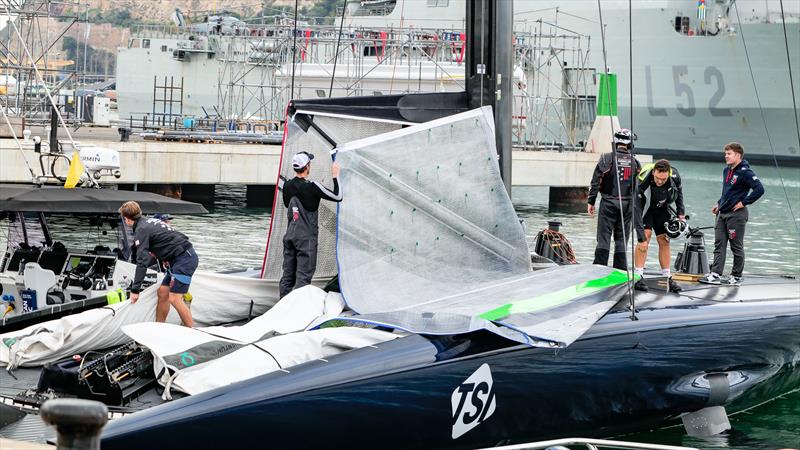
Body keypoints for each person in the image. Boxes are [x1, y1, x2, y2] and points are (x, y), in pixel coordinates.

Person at [119, 201, 198, 327]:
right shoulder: (148, 222)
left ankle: (192, 332)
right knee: (162, 292)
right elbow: (174, 238)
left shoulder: (141, 229)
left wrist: (135, 290)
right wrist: (166, 257)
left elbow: (142, 262)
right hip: (177, 259)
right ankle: (159, 327)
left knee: (174, 298)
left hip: (184, 259)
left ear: (126, 219)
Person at [279, 151, 342, 298]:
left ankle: (281, 310)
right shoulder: (312, 186)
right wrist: (335, 176)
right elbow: (338, 196)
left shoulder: (287, 185)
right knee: (303, 279)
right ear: (307, 166)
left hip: (290, 236)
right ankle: (299, 313)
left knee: (287, 277)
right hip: (306, 239)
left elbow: (288, 204)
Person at [700, 142, 764, 285]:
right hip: (722, 214)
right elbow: (727, 191)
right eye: (725, 154)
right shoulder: (726, 170)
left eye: (729, 154)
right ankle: (715, 274)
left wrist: (744, 202)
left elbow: (759, 189)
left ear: (738, 155)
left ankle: (736, 276)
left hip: (737, 215)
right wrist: (719, 203)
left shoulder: (745, 172)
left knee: (736, 246)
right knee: (719, 244)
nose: (726, 156)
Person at [588, 128, 642, 270]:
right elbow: (638, 187)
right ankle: (621, 270)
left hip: (609, 202)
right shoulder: (635, 162)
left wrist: (591, 201)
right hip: (628, 205)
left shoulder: (606, 158)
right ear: (630, 144)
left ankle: (599, 268)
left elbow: (596, 181)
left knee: (604, 237)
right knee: (622, 238)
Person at [633, 159, 684, 293]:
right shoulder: (643, 179)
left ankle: (667, 277)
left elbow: (679, 194)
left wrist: (681, 213)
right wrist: (640, 236)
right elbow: (636, 209)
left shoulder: (674, 177)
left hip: (662, 209)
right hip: (646, 208)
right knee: (645, 238)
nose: (660, 181)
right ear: (654, 172)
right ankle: (638, 276)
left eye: (663, 179)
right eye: (657, 178)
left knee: (664, 240)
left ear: (668, 174)